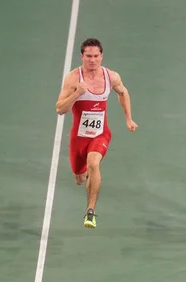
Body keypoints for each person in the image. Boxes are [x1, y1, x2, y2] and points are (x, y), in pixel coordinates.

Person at [55, 38, 138, 229]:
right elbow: (60, 109)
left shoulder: (111, 76)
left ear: (101, 56)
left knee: (94, 163)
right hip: (79, 137)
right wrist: (77, 93)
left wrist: (128, 118)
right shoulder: (74, 79)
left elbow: (123, 92)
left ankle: (90, 211)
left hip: (101, 134)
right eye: (88, 56)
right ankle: (83, 177)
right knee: (79, 178)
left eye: (96, 56)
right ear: (81, 57)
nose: (92, 60)